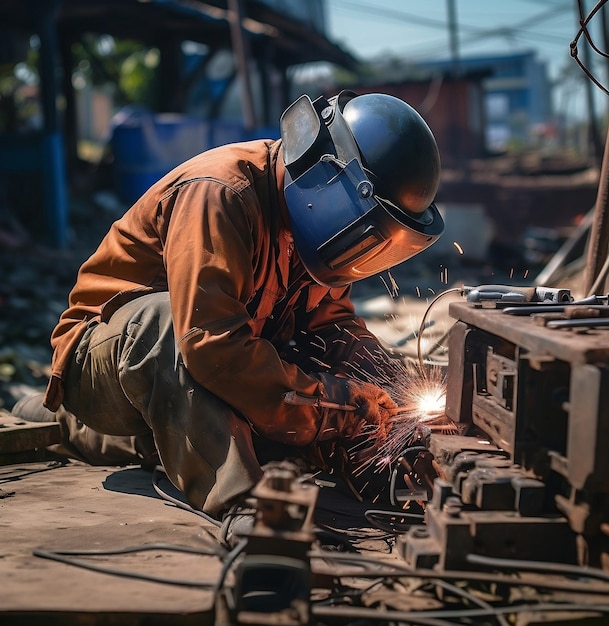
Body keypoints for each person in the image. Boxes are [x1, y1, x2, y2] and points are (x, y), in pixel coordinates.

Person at [12, 90, 443, 538]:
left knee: (313, 371)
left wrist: (391, 393)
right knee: (167, 326)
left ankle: (65, 428)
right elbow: (209, 345)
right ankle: (245, 505)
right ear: (331, 184)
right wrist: (336, 404)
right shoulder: (220, 194)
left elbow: (332, 329)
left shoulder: (322, 237)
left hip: (182, 384)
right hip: (104, 362)